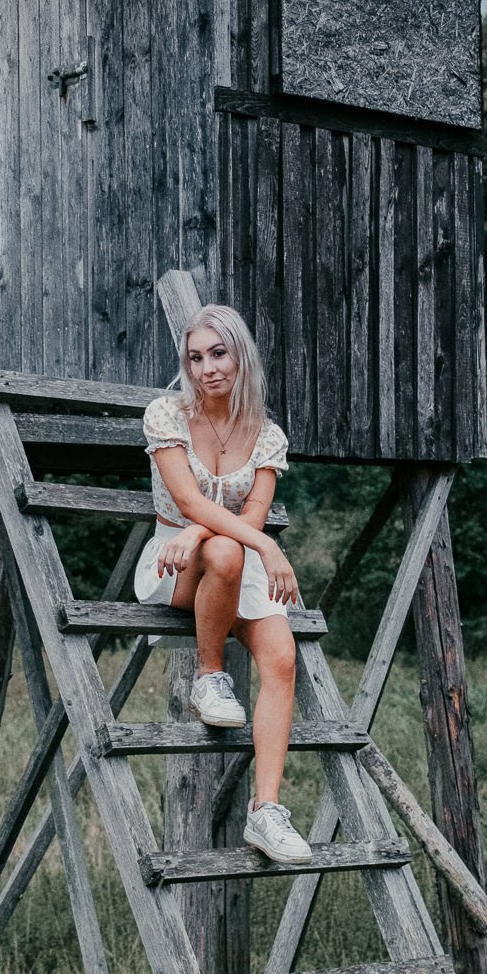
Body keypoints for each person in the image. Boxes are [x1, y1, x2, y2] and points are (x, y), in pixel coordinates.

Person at [134, 304, 313, 867]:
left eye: (218, 353)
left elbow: (255, 511)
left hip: (228, 558)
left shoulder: (266, 435)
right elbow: (188, 500)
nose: (207, 367)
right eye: (195, 357)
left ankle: (266, 810)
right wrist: (250, 543)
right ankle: (210, 676)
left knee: (282, 658)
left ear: (240, 356)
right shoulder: (166, 415)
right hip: (175, 561)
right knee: (228, 548)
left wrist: (224, 535)